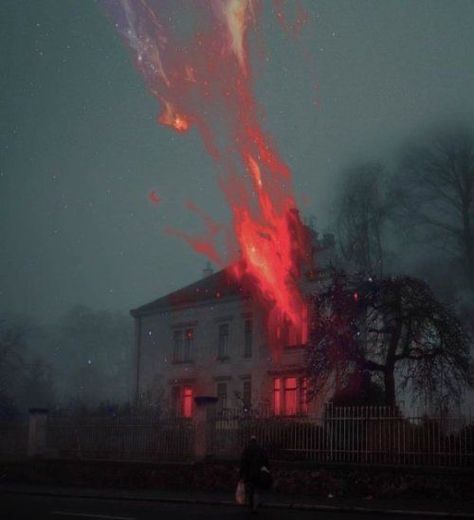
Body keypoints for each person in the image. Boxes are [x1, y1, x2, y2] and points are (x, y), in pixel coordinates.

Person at [239, 435, 269, 513]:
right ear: (256, 441)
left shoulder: (246, 449)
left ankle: (251, 506)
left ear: (250, 441)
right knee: (257, 490)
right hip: (258, 472)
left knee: (251, 490)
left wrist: (241, 474)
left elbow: (243, 462)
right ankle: (255, 506)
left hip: (249, 473)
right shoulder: (260, 449)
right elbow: (265, 461)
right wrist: (265, 470)